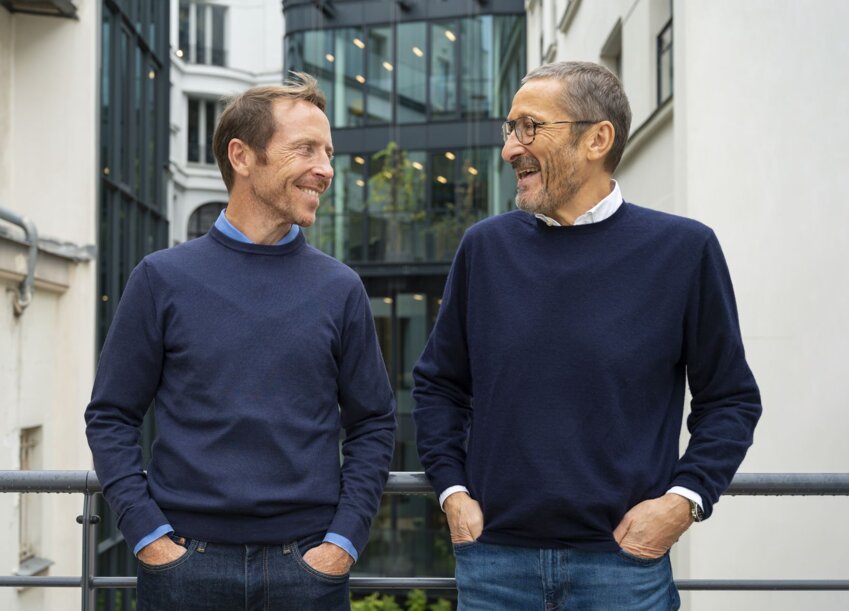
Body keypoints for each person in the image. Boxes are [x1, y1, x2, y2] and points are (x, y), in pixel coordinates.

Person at [412, 61, 762, 610]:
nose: (510, 149)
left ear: (598, 138)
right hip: (494, 564)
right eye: (510, 129)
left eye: (530, 127)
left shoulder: (684, 250)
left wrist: (684, 501)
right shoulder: (484, 249)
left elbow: (731, 399)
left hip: (624, 569)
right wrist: (453, 493)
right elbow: (437, 385)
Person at [85, 73, 396, 611]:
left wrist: (342, 544)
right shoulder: (161, 279)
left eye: (327, 151)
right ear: (242, 156)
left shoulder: (340, 287)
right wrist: (148, 536)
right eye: (305, 149)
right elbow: (111, 415)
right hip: (185, 567)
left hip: (310, 570)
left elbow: (373, 422)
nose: (324, 168)